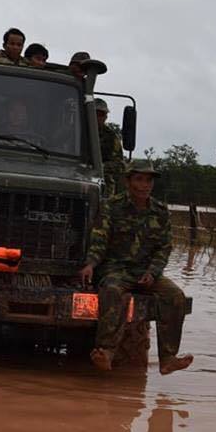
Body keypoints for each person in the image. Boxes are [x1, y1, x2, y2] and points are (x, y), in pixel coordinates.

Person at [78, 159, 193, 375]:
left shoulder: (160, 211)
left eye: (149, 180)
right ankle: (106, 352)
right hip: (116, 270)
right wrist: (91, 264)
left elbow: (163, 248)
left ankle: (168, 358)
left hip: (146, 271)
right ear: (128, 181)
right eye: (139, 179)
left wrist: (153, 272)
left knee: (175, 296)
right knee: (112, 292)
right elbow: (99, 240)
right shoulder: (112, 206)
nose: (145, 185)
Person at [95, 98, 125, 196]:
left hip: (104, 187)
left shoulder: (111, 137)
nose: (98, 117)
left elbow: (120, 165)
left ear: (106, 117)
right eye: (95, 113)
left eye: (101, 114)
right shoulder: (74, 131)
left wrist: (100, 167)